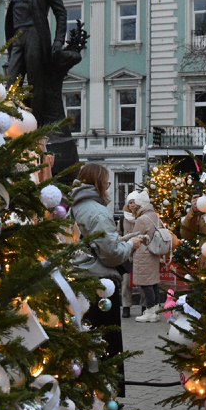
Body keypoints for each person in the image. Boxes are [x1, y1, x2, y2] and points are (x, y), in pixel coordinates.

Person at [67, 163, 145, 397]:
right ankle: (107, 394)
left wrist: (126, 238)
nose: (108, 188)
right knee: (106, 343)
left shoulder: (75, 206)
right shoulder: (97, 210)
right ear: (98, 183)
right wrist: (131, 245)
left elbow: (96, 242)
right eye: (107, 182)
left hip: (80, 281)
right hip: (101, 286)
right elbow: (110, 254)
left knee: (87, 342)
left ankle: (88, 391)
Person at [4, 0, 69, 132]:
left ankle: (36, 126)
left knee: (35, 83)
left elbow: (61, 13)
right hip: (17, 36)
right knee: (11, 82)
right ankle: (11, 125)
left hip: (35, 35)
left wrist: (58, 41)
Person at [130, 192, 167, 322]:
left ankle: (150, 311)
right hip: (154, 253)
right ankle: (155, 310)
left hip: (143, 254)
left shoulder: (141, 219)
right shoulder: (155, 216)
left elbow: (135, 237)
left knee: (146, 284)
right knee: (153, 283)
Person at [119, 192, 141, 318]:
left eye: (134, 202)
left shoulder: (142, 217)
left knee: (141, 281)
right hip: (127, 253)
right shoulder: (123, 218)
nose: (132, 205)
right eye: (130, 202)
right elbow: (118, 234)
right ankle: (126, 306)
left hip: (140, 252)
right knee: (126, 282)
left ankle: (144, 306)